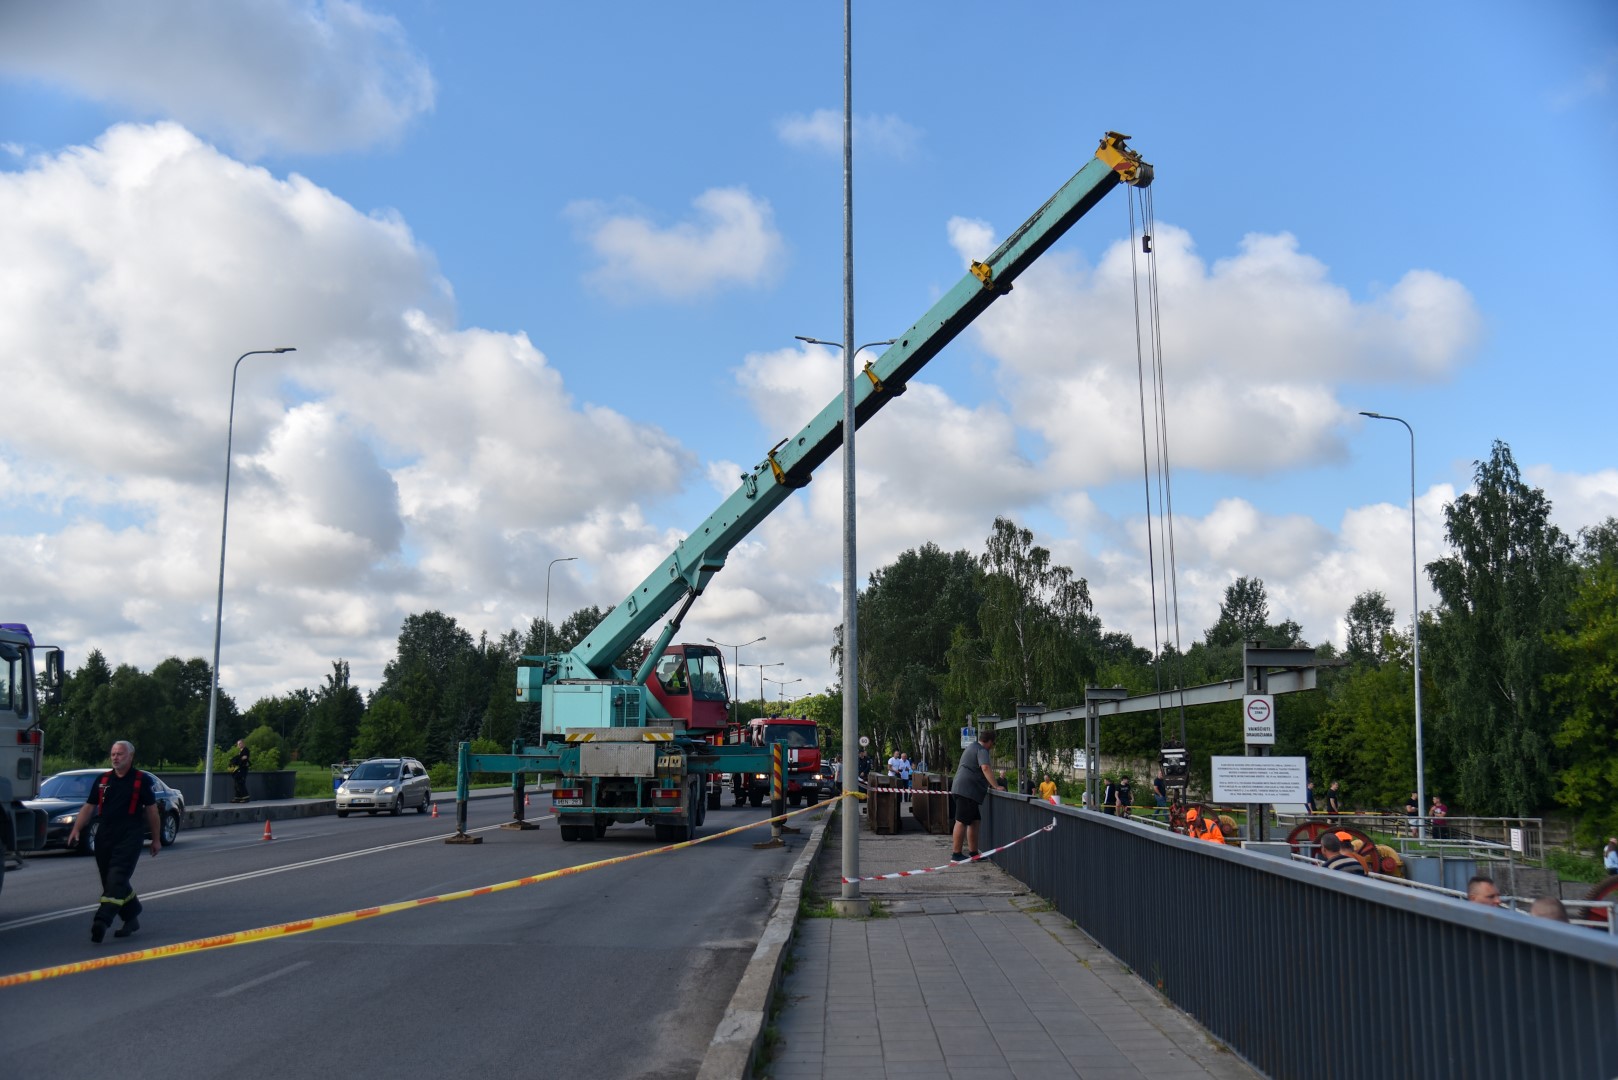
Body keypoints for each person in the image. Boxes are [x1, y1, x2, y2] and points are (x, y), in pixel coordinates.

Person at [66, 740, 161, 943]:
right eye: (113, 754)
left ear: (130, 756)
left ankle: (102, 921)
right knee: (110, 881)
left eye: (120, 754)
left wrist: (156, 839)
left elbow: (152, 811)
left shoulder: (141, 780)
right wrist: (76, 829)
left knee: (116, 878)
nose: (115, 758)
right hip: (105, 835)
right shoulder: (103, 780)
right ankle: (131, 916)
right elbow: (89, 807)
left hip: (130, 835)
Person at [949, 726, 1005, 862]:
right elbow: (985, 768)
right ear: (989, 741)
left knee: (975, 821)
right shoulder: (982, 750)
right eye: (992, 744)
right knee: (961, 821)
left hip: (963, 789)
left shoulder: (971, 747)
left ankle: (974, 853)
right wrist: (996, 786)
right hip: (967, 791)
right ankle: (956, 854)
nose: (992, 747)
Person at [230, 738, 252, 803]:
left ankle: (246, 798)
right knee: (236, 783)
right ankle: (237, 798)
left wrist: (237, 759)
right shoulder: (241, 751)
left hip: (243, 770)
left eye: (240, 743)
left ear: (243, 743)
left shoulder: (245, 750)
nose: (238, 745)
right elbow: (241, 759)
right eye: (238, 744)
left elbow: (244, 758)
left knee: (240, 783)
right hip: (240, 769)